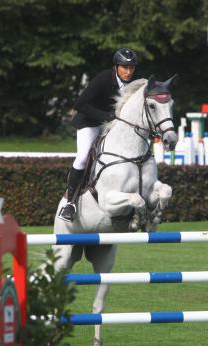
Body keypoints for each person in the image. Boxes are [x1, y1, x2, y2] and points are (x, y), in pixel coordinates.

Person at [59, 48, 138, 222]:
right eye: (125, 67)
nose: (129, 71)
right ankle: (70, 203)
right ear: (116, 66)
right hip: (90, 123)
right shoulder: (103, 78)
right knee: (82, 157)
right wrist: (104, 116)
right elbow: (79, 104)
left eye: (132, 67)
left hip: (111, 126)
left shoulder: (132, 85)